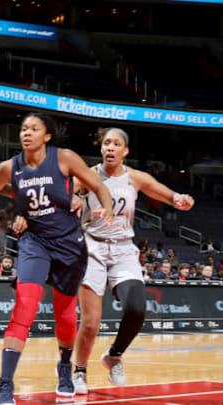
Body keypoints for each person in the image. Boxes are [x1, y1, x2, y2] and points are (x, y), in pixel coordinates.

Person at [0, 112, 114, 404]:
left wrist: (106, 208)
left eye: (34, 129)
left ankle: (64, 367)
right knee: (24, 307)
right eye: (23, 129)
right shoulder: (10, 167)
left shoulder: (65, 158)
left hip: (69, 246)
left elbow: (99, 187)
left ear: (47, 136)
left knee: (66, 318)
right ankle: (5, 385)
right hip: (35, 243)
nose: (26, 133)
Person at [70, 128, 195, 394]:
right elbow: (65, 193)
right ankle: (79, 370)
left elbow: (164, 193)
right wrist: (70, 199)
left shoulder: (135, 178)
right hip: (92, 248)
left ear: (125, 151)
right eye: (106, 143)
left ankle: (114, 356)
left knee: (137, 310)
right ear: (101, 149)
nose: (110, 148)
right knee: (91, 323)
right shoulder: (87, 175)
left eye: (117, 144)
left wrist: (178, 199)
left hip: (124, 250)